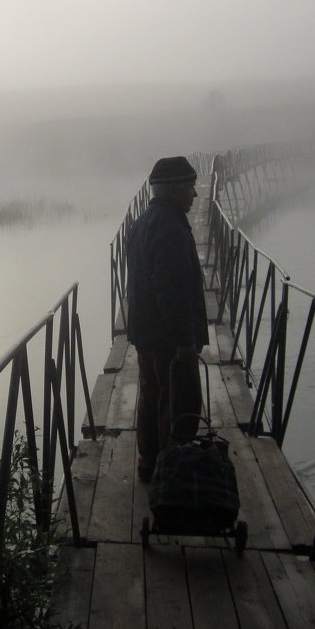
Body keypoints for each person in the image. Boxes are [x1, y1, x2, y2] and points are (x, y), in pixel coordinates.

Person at [126, 155, 208, 482]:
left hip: (146, 331)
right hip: (166, 338)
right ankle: (173, 473)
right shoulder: (170, 227)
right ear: (172, 189)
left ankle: (149, 462)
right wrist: (184, 342)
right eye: (190, 187)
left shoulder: (145, 220)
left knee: (152, 395)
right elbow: (172, 289)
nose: (195, 195)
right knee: (178, 404)